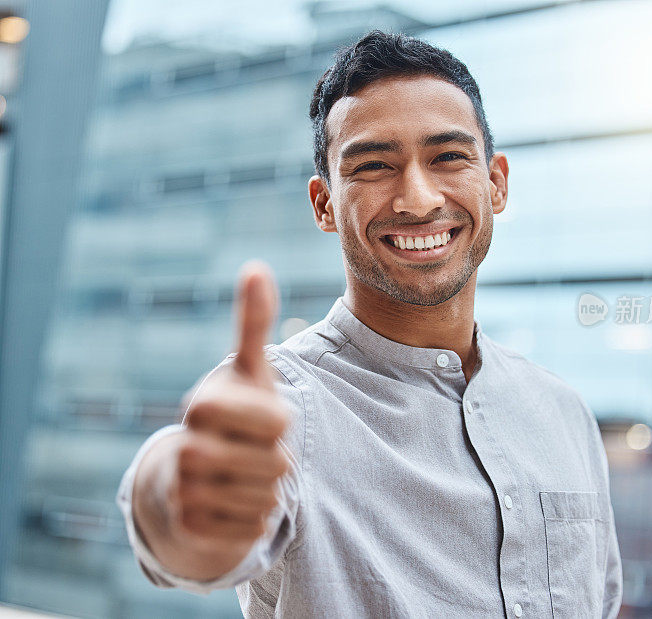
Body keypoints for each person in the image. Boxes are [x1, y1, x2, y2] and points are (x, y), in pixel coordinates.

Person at [117, 30, 623, 618]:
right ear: (324, 204)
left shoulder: (563, 413)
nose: (418, 199)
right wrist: (179, 497)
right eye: (374, 166)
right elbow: (190, 539)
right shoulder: (281, 402)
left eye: (449, 157)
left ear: (496, 182)